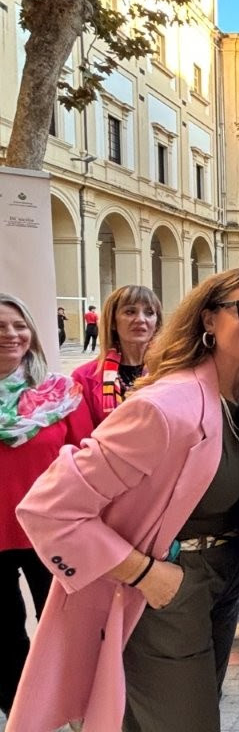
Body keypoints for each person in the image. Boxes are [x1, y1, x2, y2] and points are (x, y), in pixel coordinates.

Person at [9, 267, 239, 732]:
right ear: (209, 318)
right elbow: (49, 507)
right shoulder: (165, 407)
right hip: (167, 592)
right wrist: (144, 573)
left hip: (222, 585)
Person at [0, 295, 93, 719]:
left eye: (19, 325)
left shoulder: (59, 393)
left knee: (63, 630)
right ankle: (21, 713)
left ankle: (68, 708)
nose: (11, 334)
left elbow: (88, 460)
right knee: (4, 635)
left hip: (52, 534)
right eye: (0, 327)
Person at [71, 285, 162, 429]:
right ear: (113, 322)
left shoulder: (170, 371)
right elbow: (81, 435)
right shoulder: (83, 378)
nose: (140, 319)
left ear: (156, 323)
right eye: (130, 312)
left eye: (149, 313)